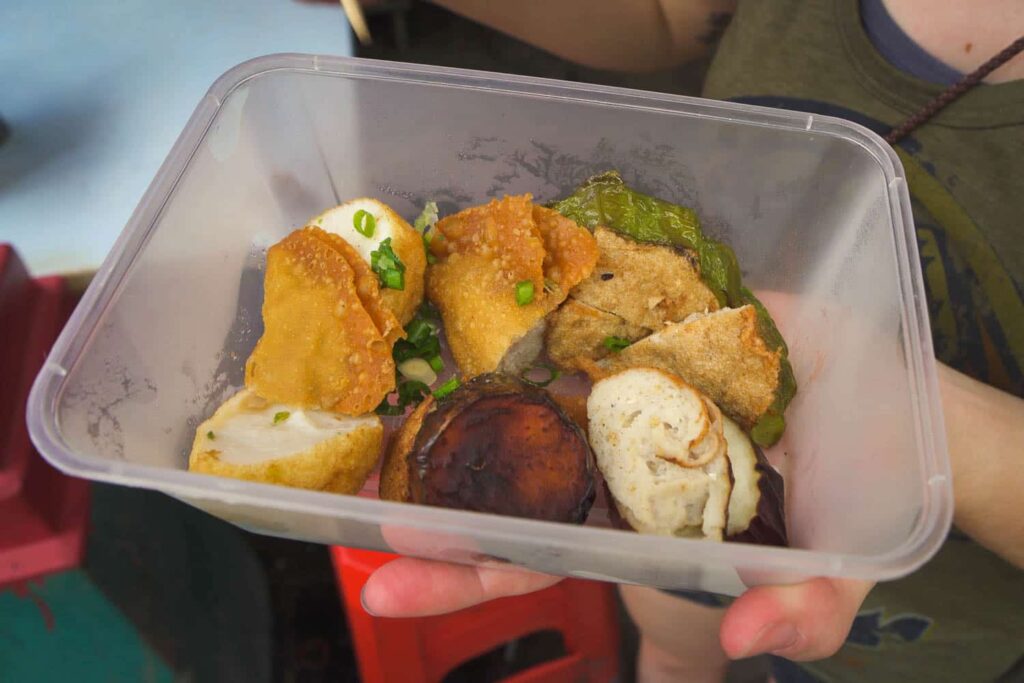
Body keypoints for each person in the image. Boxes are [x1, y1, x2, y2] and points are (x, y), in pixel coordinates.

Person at [360, 2, 1024, 681]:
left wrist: (938, 429)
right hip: (652, 512)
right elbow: (665, 21)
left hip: (932, 615)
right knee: (674, 643)